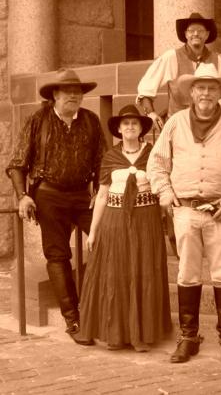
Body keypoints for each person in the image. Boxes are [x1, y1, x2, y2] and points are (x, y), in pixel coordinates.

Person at [147, 64, 221, 367]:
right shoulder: (175, 123)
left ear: (220, 93)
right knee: (187, 273)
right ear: (191, 92)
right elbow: (157, 163)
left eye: (211, 88)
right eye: (200, 88)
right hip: (185, 211)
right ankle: (189, 337)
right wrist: (166, 194)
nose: (206, 93)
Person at [6, 68, 106, 345]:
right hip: (49, 196)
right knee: (58, 255)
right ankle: (73, 320)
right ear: (55, 95)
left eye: (78, 92)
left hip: (83, 197)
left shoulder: (91, 120)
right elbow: (17, 164)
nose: (74, 96)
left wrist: (101, 190)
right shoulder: (38, 120)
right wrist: (23, 196)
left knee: (108, 239)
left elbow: (102, 160)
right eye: (67, 91)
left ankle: (100, 308)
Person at [79, 105, 172, 351]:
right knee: (117, 273)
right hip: (115, 220)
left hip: (146, 220)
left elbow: (163, 186)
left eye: (134, 123)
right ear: (119, 129)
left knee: (144, 271)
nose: (130, 127)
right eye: (125, 123)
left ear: (141, 129)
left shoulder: (153, 154)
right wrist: (94, 231)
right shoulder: (110, 157)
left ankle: (143, 333)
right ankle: (117, 334)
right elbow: (102, 196)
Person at [137, 12, 221, 130]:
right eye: (191, 31)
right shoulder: (172, 57)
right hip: (178, 127)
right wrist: (151, 113)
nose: (196, 34)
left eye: (200, 31)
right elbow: (146, 87)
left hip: (209, 127)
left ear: (207, 34)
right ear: (186, 34)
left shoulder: (218, 61)